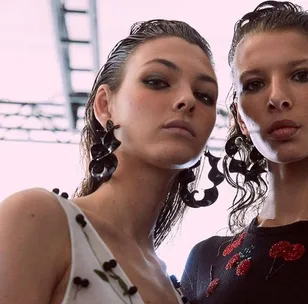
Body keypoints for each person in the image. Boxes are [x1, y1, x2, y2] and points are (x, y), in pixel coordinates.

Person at [0, 19, 224, 304]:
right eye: (157, 82)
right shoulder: (37, 219)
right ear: (105, 105)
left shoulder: (176, 290)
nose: (187, 100)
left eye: (204, 95)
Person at [181, 1, 308, 303]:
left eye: (301, 75)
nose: (276, 97)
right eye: (255, 83)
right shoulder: (204, 262)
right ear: (240, 118)